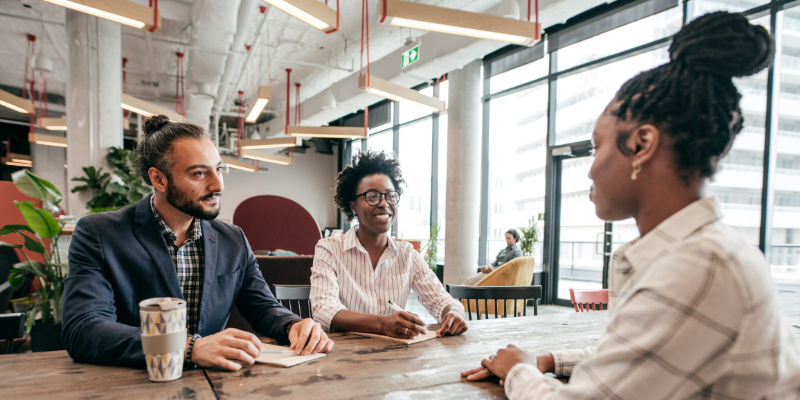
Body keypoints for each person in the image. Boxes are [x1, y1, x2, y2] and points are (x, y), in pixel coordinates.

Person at [462, 12, 800, 398]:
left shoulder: (699, 265)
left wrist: (520, 372)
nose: (590, 170)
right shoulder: (699, 251)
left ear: (641, 145)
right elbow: (642, 353)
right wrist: (550, 359)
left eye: (596, 146)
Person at [62, 115, 333, 371]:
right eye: (199, 174)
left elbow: (262, 307)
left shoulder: (232, 239)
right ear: (159, 179)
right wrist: (190, 348)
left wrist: (292, 326)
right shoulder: (99, 233)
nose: (218, 185)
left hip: (216, 382)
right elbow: (84, 329)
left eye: (218, 169)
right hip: (134, 383)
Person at [310, 150, 468, 338]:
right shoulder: (329, 248)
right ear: (353, 206)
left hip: (395, 355)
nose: (384, 204)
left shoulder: (407, 253)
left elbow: (440, 299)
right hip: (343, 354)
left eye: (390, 196)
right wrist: (381, 324)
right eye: (372, 196)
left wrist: (454, 313)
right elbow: (323, 309)